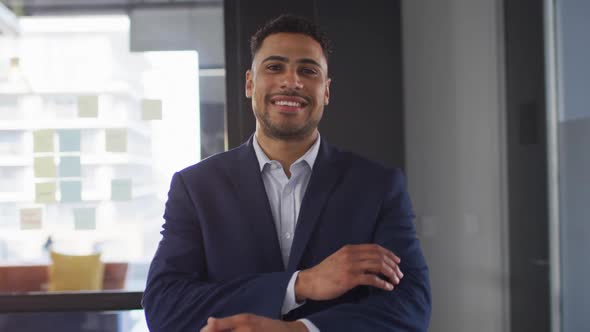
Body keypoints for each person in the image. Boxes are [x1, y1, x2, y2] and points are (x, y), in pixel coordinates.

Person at [142, 14, 431, 332]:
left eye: (308, 71)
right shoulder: (195, 188)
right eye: (274, 67)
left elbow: (411, 306)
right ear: (250, 83)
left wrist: (299, 330)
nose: (291, 81)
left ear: (326, 91)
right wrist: (299, 285)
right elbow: (164, 307)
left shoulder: (378, 186)